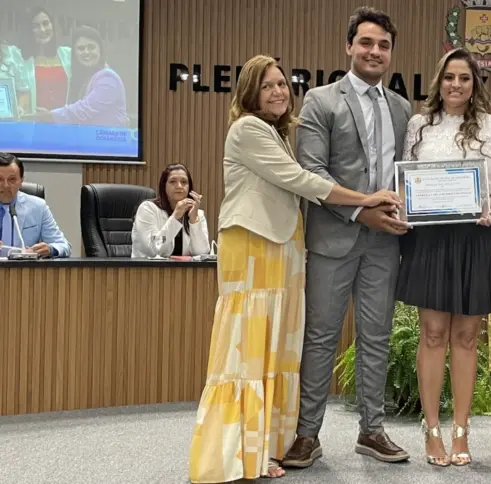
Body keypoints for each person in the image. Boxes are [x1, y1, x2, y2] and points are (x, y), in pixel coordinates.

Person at [187, 54, 400, 483]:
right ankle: (237, 452)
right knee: (247, 349)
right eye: (266, 85)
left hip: (281, 248)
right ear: (249, 92)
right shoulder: (248, 128)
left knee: (272, 349)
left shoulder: (276, 131)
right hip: (253, 246)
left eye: (282, 84)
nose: (278, 92)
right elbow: (301, 180)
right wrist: (365, 200)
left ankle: (263, 445)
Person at [283, 7, 412, 468]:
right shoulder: (320, 101)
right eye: (367, 42)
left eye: (383, 45)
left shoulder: (402, 108)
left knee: (376, 337)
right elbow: (312, 172)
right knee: (320, 337)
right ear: (349, 46)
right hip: (333, 239)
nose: (375, 51)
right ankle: (307, 434)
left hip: (384, 243)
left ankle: (372, 431)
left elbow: (406, 174)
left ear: (391, 52)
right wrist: (362, 211)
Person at [397, 47, 491, 467]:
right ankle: (432, 431)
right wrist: (406, 202)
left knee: (466, 336)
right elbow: (407, 180)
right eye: (450, 76)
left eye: (465, 78)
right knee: (432, 333)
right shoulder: (419, 125)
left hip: (477, 237)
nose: (456, 84)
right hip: (430, 240)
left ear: (475, 84)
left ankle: (461, 431)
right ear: (439, 80)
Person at [41, 26, 129, 127]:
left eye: (91, 47)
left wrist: (50, 116)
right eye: (81, 48)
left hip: (107, 137)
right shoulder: (88, 77)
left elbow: (85, 109)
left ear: (100, 50)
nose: (86, 52)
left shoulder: (108, 77)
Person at [0, 152, 71, 257]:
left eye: (12, 179)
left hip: (24, 267)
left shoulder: (38, 207)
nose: (5, 185)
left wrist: (50, 249)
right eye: (0, 179)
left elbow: (63, 246)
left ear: (21, 181)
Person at [131, 164, 209, 258]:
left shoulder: (197, 213)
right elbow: (153, 250)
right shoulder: (147, 209)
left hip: (185, 267)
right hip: (149, 267)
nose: (179, 186)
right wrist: (175, 217)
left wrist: (193, 220)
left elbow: (202, 252)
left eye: (184, 182)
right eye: (172, 181)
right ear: (164, 186)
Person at [4, 6, 71, 114]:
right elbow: (20, 92)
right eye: (36, 26)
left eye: (46, 23)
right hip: (33, 122)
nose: (42, 29)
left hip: (63, 121)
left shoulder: (68, 54)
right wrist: (19, 108)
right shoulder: (19, 58)